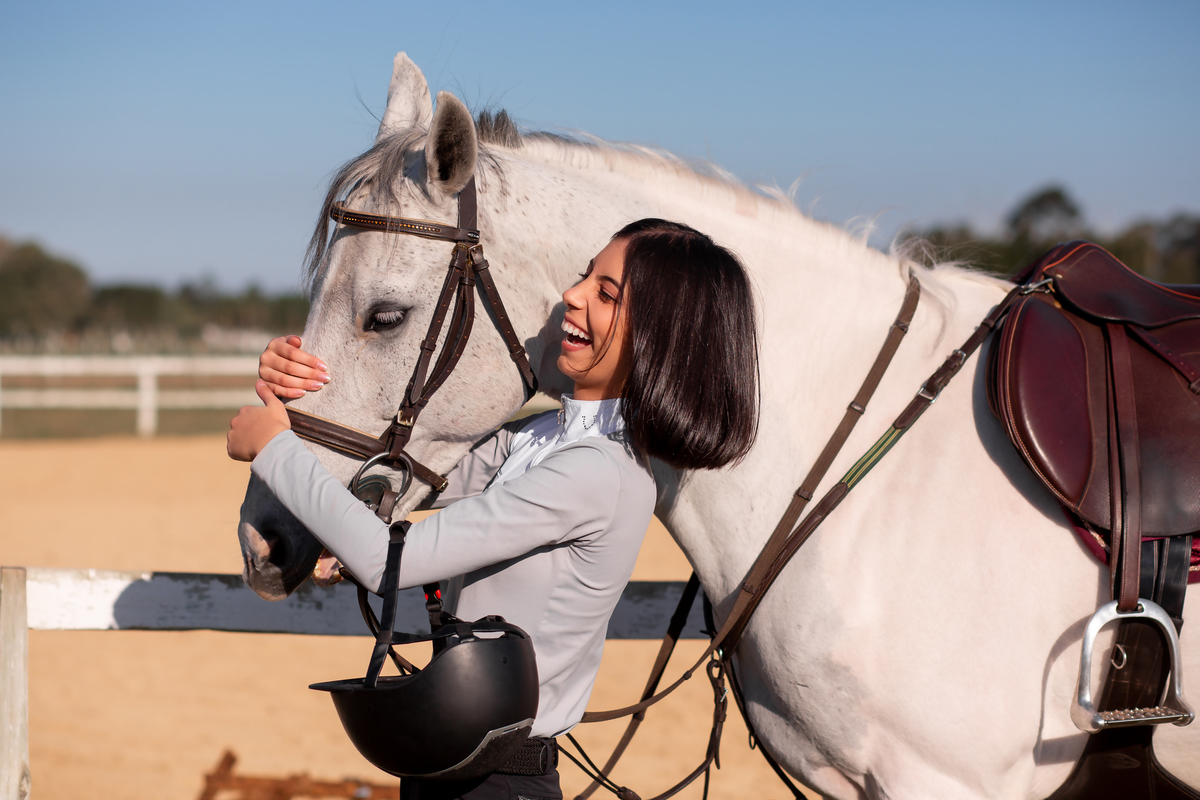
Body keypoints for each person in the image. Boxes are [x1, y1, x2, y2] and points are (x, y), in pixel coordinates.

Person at [226, 219, 760, 800]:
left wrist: (274, 447)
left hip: (500, 783)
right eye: (586, 277)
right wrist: (305, 387)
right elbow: (393, 471)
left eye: (606, 294)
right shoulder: (541, 439)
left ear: (659, 338)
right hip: (451, 768)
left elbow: (388, 562)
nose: (572, 295)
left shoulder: (599, 472)